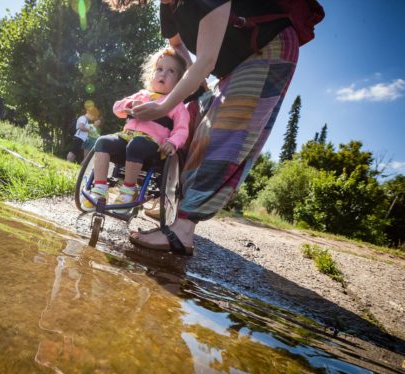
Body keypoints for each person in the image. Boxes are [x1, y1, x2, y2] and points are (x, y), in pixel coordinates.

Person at [105, 0, 299, 254]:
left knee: (220, 134)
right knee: (191, 119)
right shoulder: (167, 5)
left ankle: (183, 230)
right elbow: (177, 45)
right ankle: (173, 203)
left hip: (267, 49)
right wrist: (194, 80)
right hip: (231, 66)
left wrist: (164, 106)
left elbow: (206, 61)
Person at [81, 48, 190, 213]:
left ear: (179, 82)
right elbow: (117, 108)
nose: (163, 74)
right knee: (103, 141)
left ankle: (129, 191)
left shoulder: (177, 105)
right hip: (126, 138)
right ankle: (99, 190)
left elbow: (182, 130)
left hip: (152, 147)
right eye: (159, 69)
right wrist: (130, 105)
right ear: (151, 74)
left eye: (171, 71)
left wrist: (172, 143)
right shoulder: (141, 95)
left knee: (137, 144)